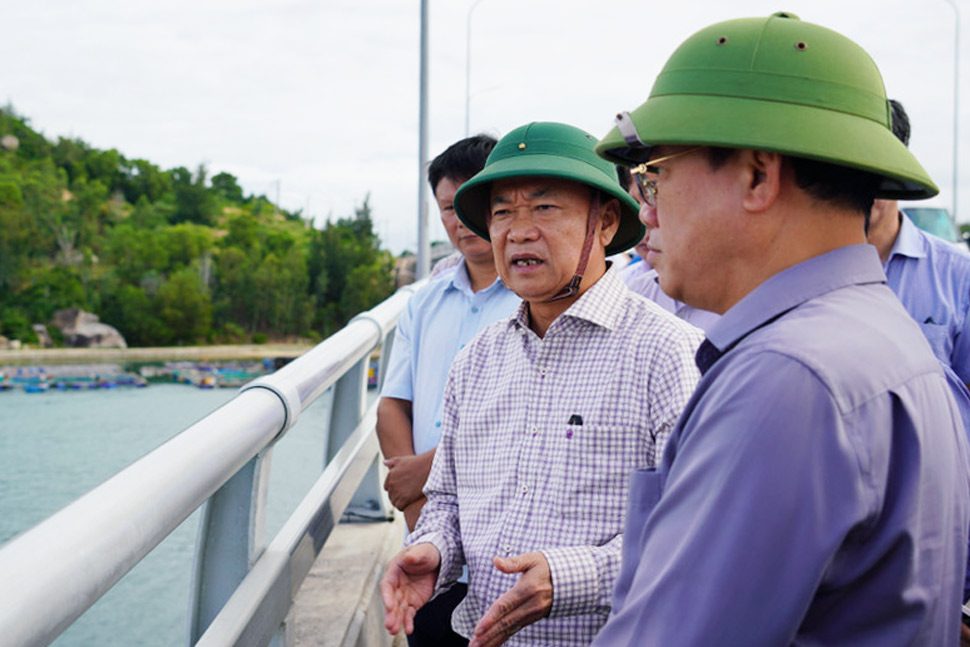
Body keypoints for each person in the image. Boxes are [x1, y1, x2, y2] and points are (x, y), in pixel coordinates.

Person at [593, 12, 970, 646]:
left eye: (655, 175)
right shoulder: (879, 337)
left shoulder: (787, 378)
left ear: (758, 176)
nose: (644, 209)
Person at [381, 121, 704, 647]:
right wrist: (433, 551)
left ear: (604, 222)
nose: (519, 231)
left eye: (544, 207)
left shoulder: (667, 353)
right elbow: (446, 500)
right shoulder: (477, 361)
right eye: (502, 212)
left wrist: (571, 577)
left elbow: (696, 527)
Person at [377, 134, 520, 647]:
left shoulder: (536, 303)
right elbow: (392, 405)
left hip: (503, 555)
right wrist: (419, 508)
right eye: (447, 209)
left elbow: (522, 425)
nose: (460, 221)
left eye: (471, 204)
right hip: (429, 558)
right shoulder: (424, 302)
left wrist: (429, 471)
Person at [868, 99, 970, 391]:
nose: (864, 185)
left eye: (876, 166)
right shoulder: (802, 268)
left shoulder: (959, 276)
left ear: (900, 167)